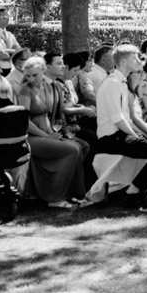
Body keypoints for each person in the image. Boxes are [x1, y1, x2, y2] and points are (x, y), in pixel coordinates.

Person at [92, 44, 147, 207]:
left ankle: (143, 191)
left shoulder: (120, 82)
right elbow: (118, 119)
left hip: (119, 136)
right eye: (134, 58)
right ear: (123, 62)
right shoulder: (113, 83)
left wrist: (145, 135)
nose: (138, 60)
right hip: (111, 139)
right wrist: (137, 137)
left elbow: (127, 119)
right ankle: (133, 192)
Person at [15, 57, 89, 208]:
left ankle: (72, 194)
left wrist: (52, 134)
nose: (31, 79)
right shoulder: (25, 90)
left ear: (43, 71)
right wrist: (47, 136)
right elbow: (24, 121)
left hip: (46, 132)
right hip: (30, 136)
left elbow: (47, 117)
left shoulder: (48, 87)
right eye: (28, 76)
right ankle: (55, 198)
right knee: (72, 149)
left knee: (80, 146)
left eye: (34, 75)